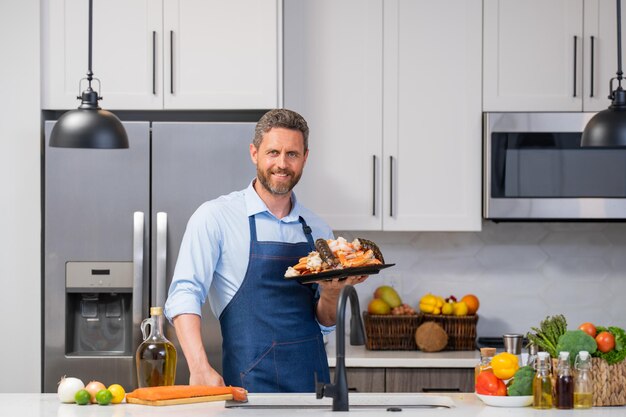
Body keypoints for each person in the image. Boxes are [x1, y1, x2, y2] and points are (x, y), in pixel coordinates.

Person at [164, 108, 367, 393]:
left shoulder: (318, 230)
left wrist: (332, 292)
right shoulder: (216, 217)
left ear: (305, 158)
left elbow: (325, 321)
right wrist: (198, 367)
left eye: (292, 154)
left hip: (313, 388)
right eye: (273, 152)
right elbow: (185, 293)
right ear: (254, 153)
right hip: (248, 389)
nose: (282, 164)